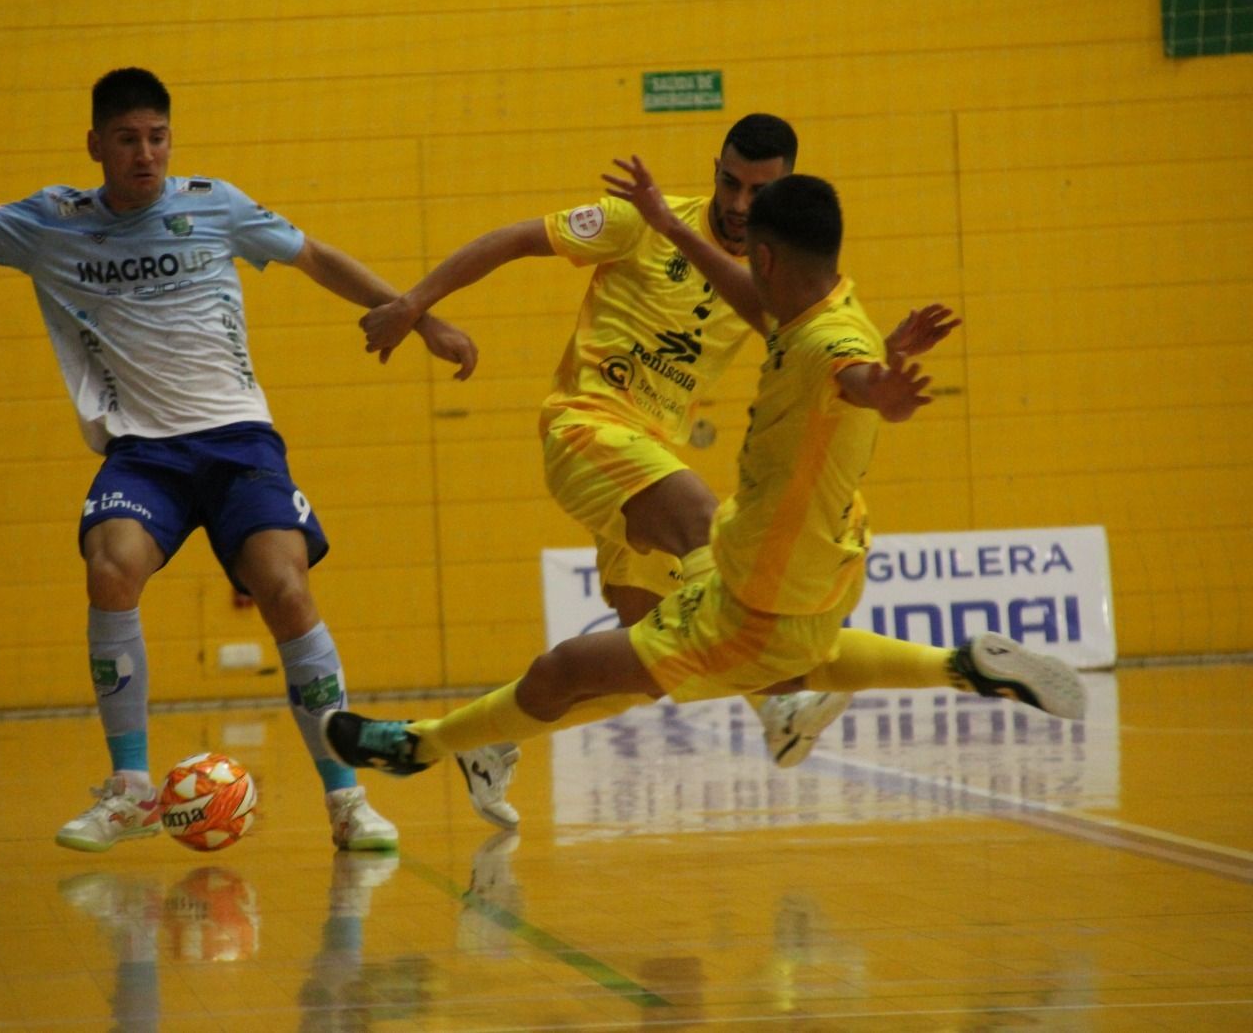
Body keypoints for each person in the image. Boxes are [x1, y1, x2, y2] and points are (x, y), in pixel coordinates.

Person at [321, 171, 1086, 790]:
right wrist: (671, 224)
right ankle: (956, 667)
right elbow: (796, 328)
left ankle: (425, 746)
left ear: (769, 258)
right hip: (828, 568)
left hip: (758, 580)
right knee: (733, 658)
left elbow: (844, 373)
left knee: (572, 670)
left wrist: (878, 390)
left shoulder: (826, 343)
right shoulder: (831, 304)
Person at [0, 67, 478, 853]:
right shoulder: (51, 222)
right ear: (95, 145)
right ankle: (130, 791)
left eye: (157, 137)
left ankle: (346, 799)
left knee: (286, 589)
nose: (145, 154)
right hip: (142, 455)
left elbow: (315, 257)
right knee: (109, 570)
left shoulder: (214, 205)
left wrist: (417, 317)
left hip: (237, 440)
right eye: (127, 139)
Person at [356, 116, 948, 826]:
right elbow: (512, 239)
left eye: (758, 191)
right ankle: (779, 704)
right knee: (707, 527)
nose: (738, 202)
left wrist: (883, 360)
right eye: (729, 182)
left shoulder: (772, 280)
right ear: (715, 169)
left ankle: (489, 739)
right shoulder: (640, 222)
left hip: (650, 463)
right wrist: (414, 305)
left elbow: (820, 351)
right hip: (588, 428)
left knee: (651, 667)